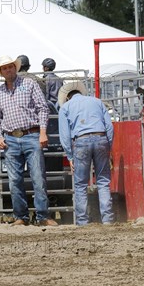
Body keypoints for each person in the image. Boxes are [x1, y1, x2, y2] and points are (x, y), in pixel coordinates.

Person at [0, 55, 58, 226]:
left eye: (10, 67)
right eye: (4, 68)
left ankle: (43, 216)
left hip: (32, 134)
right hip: (10, 138)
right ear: (1, 72)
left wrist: (43, 132)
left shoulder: (29, 84)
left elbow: (43, 108)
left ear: (15, 67)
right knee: (14, 180)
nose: (8, 70)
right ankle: (21, 216)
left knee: (38, 177)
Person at [58, 81, 115, 226]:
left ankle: (82, 221)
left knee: (80, 184)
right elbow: (109, 127)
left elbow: (64, 135)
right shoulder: (97, 102)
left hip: (81, 141)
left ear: (67, 97)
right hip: (101, 137)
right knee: (103, 181)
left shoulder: (65, 108)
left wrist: (69, 156)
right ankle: (107, 219)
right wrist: (109, 147)